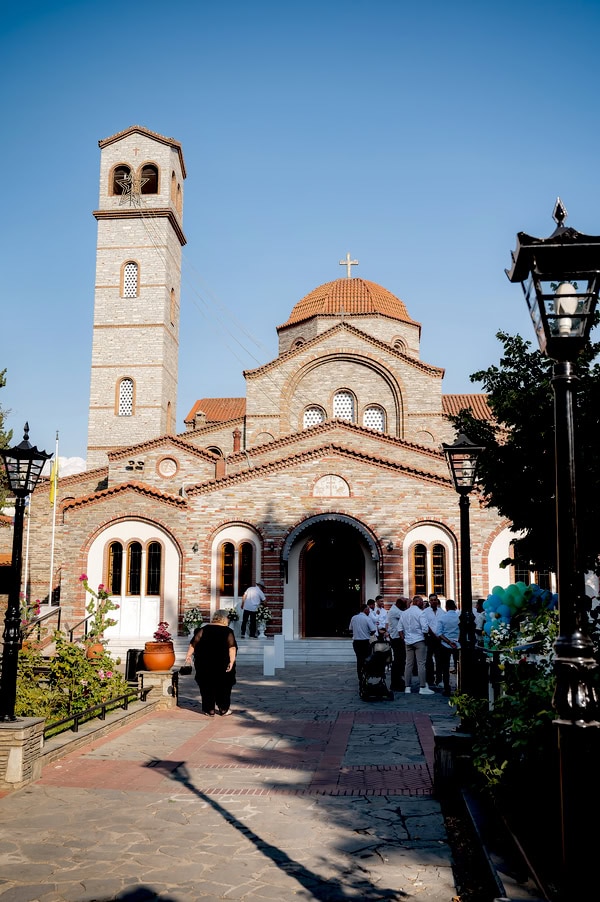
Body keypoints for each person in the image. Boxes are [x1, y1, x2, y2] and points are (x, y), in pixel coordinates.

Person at [184, 609, 237, 716]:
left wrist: (188, 656)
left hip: (204, 663)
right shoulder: (228, 631)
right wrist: (232, 661)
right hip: (222, 663)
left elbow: (194, 643)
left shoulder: (203, 629)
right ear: (224, 618)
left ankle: (210, 709)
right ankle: (223, 709)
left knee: (206, 685)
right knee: (224, 686)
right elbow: (232, 647)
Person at [401, 596, 434, 695]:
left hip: (408, 641)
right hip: (419, 640)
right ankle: (422, 687)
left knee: (408, 664)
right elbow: (425, 629)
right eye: (422, 602)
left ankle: (407, 687)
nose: (423, 603)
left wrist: (405, 638)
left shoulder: (404, 613)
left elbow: (399, 628)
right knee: (421, 664)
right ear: (417, 602)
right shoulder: (421, 613)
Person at [437, 599, 461, 697]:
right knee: (458, 666)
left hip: (445, 644)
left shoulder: (442, 618)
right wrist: (455, 641)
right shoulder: (459, 617)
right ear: (454, 606)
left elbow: (439, 633)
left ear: (446, 607)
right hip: (457, 644)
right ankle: (459, 687)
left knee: (445, 667)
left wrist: (448, 641)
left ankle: (447, 688)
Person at [349, 604, 375, 681]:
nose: (369, 611)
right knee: (367, 658)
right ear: (365, 610)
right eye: (368, 610)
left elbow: (350, 628)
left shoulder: (353, 618)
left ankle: (360, 675)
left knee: (359, 659)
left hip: (356, 642)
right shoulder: (367, 619)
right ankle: (366, 673)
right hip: (365, 642)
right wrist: (368, 633)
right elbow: (373, 629)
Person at [387, 597, 407, 690]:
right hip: (396, 638)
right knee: (398, 660)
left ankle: (399, 680)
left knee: (401, 659)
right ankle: (395, 683)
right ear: (399, 604)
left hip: (398, 638)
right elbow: (405, 616)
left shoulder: (396, 610)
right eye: (404, 605)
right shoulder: (395, 611)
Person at [423, 593, 443, 688]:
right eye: (431, 600)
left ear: (437, 600)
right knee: (428, 659)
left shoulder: (441, 612)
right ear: (429, 601)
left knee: (439, 659)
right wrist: (433, 635)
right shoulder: (426, 612)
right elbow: (426, 625)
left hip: (440, 638)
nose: (433, 601)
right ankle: (429, 679)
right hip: (430, 638)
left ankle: (439, 680)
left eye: (435, 600)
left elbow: (443, 624)